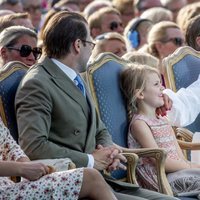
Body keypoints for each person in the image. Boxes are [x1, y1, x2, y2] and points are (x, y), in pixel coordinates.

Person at [15, 11, 177, 200]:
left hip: (101, 180)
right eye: (90, 44)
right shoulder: (37, 83)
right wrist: (91, 160)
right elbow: (33, 146)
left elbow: (99, 128)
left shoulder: (74, 75)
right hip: (70, 185)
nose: (91, 50)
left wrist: (109, 152)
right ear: (77, 45)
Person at [120, 63, 200, 198]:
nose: (162, 88)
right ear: (140, 94)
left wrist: (190, 166)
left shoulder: (163, 120)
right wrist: (191, 167)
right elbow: (162, 161)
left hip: (179, 173)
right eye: (156, 84)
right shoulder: (140, 124)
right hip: (161, 180)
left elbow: (179, 155)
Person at [0, 116, 117, 200]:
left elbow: (9, 145)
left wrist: (28, 166)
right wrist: (21, 169)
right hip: (5, 193)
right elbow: (35, 145)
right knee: (91, 177)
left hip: (10, 186)